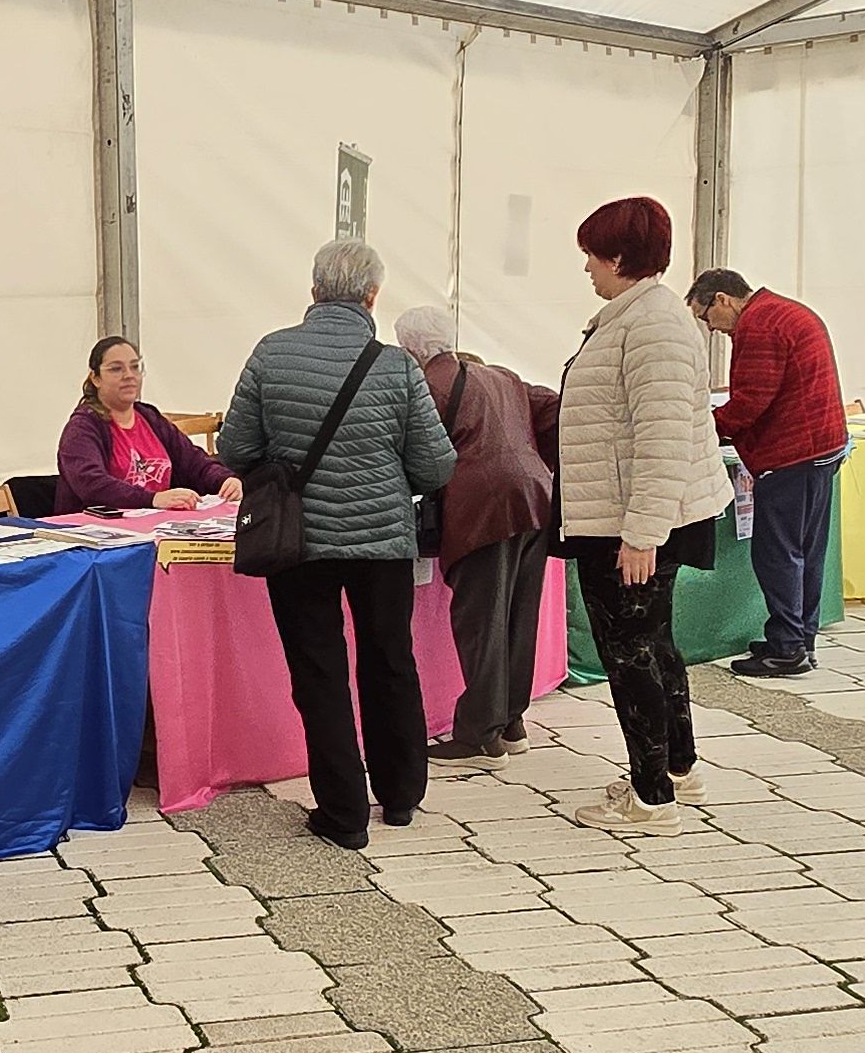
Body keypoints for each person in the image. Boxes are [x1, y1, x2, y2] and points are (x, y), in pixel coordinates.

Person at [218, 241, 455, 850]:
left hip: (299, 545)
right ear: (372, 295)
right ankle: (400, 795)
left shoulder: (271, 352)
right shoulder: (398, 366)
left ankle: (343, 813)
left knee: (319, 672)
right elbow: (433, 467)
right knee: (390, 661)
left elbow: (235, 448)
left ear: (315, 289)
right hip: (381, 545)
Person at [569, 202, 732, 833]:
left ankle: (649, 795)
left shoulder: (654, 326)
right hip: (635, 515)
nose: (586, 268)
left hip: (635, 522)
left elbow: (661, 438)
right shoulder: (638, 318)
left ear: (617, 258)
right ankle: (677, 769)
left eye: (590, 255)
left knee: (631, 652)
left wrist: (641, 535)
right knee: (654, 645)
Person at [396, 306, 558, 762]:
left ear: (410, 349)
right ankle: (511, 722)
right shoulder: (500, 375)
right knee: (517, 617)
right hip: (533, 498)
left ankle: (477, 733)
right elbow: (553, 409)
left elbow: (418, 458)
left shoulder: (426, 386)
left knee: (481, 622)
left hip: (482, 508)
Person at [686, 266, 844, 678]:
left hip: (792, 452)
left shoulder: (757, 326)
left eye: (707, 318)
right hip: (821, 446)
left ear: (722, 299)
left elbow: (751, 400)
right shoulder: (784, 311)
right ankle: (800, 637)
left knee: (778, 553)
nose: (712, 329)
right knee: (806, 550)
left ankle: (788, 647)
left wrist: (704, 428)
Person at [55, 336, 231, 510]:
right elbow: (91, 484)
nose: (129, 375)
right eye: (116, 369)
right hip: (96, 531)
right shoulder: (82, 428)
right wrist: (153, 499)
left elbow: (193, 461)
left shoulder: (150, 418)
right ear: (96, 378)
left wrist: (225, 480)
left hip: (158, 526)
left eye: (134, 367)